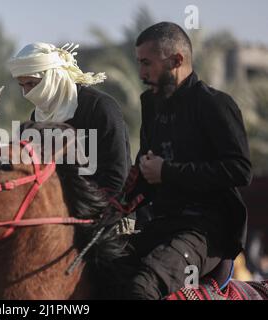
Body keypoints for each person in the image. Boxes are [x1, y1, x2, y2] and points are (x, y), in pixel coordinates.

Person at [106, 22, 252, 299]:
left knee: (141, 288)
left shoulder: (214, 104)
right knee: (101, 270)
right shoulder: (153, 107)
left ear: (177, 60)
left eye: (147, 63)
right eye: (139, 63)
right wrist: (111, 208)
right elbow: (144, 177)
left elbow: (240, 170)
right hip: (162, 223)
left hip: (205, 230)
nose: (141, 73)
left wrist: (168, 172)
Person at [7, 42, 131, 193]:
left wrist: (81, 209)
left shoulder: (99, 107)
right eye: (22, 85)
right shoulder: (38, 116)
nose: (27, 93)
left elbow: (115, 176)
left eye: (32, 84)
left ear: (53, 77)